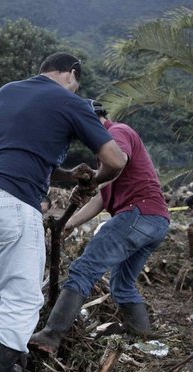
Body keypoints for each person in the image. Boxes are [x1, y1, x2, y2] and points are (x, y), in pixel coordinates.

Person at [0, 53, 126, 372]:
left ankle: (6, 367)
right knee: (25, 297)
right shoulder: (70, 100)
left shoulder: (7, 91)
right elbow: (116, 160)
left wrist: (65, 174)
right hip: (11, 204)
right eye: (77, 82)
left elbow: (17, 151)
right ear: (72, 74)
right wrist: (94, 180)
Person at [29, 100, 169, 353]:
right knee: (122, 285)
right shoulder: (107, 155)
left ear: (90, 120)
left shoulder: (117, 133)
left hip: (138, 213)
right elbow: (102, 198)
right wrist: (70, 222)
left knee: (83, 270)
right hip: (155, 220)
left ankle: (50, 336)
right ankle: (144, 341)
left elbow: (119, 162)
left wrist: (90, 181)